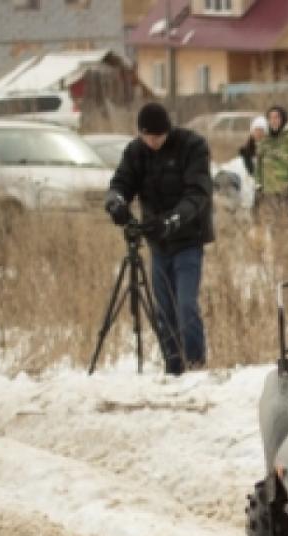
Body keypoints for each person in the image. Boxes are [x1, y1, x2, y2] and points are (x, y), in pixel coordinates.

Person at [104, 102, 214, 376]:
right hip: (157, 241)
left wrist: (174, 220)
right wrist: (116, 202)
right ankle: (173, 367)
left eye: (158, 136)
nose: (152, 142)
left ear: (168, 131)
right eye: (147, 136)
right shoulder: (136, 151)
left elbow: (198, 193)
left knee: (186, 304)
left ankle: (196, 365)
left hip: (188, 239)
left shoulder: (192, 145)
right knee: (163, 309)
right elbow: (121, 183)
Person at [256, 105, 288, 221]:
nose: (273, 121)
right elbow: (259, 163)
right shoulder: (266, 140)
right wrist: (259, 183)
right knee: (273, 225)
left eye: (276, 118)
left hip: (287, 190)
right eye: (270, 118)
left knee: (287, 224)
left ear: (283, 119)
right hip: (269, 191)